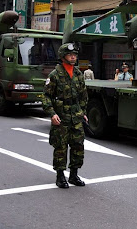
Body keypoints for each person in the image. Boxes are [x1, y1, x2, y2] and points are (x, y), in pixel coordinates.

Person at [41, 43, 89, 189]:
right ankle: (60, 176)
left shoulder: (78, 74)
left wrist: (83, 112)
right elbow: (46, 96)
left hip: (76, 115)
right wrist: (52, 114)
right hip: (61, 116)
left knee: (78, 145)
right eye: (70, 55)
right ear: (63, 57)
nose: (73, 57)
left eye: (75, 54)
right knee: (60, 146)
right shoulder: (54, 75)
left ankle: (74, 175)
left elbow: (83, 95)